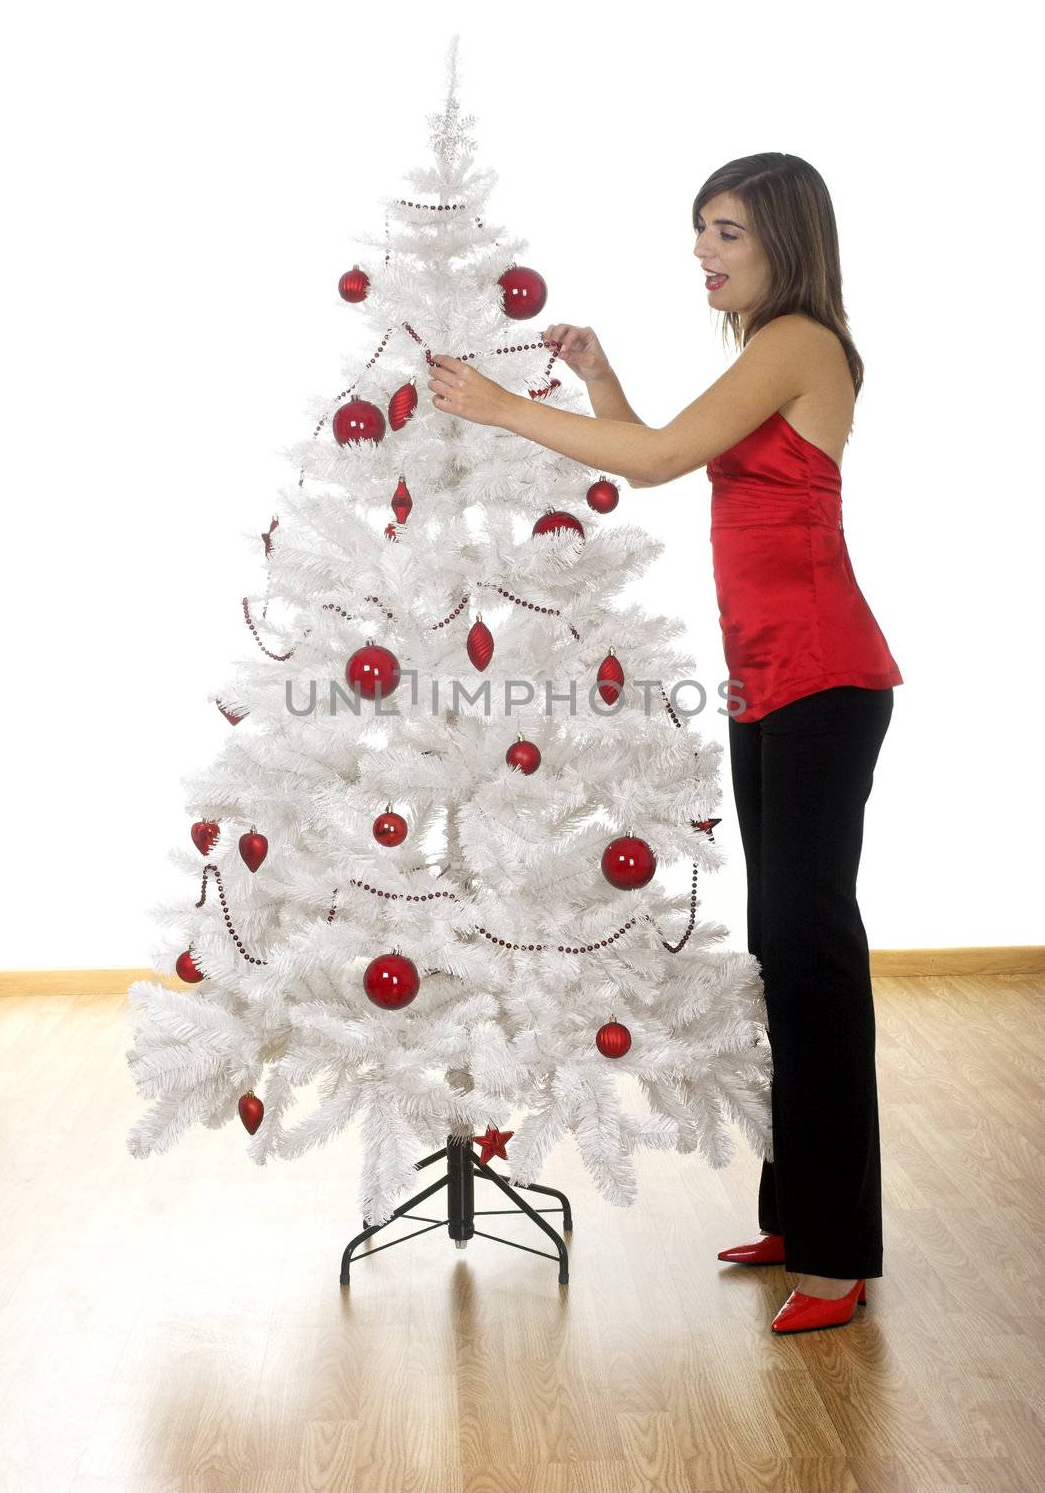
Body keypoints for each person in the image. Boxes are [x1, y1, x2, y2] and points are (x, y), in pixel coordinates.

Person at [425, 151, 902, 1334]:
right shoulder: (759, 353)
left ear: (785, 241)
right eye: (700, 231)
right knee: (784, 954)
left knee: (811, 955)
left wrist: (497, 406)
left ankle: (836, 1258)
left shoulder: (798, 340)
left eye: (725, 233)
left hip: (825, 681)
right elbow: (648, 451)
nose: (703, 252)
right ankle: (802, 1211)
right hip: (769, 689)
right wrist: (599, 377)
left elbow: (655, 461)